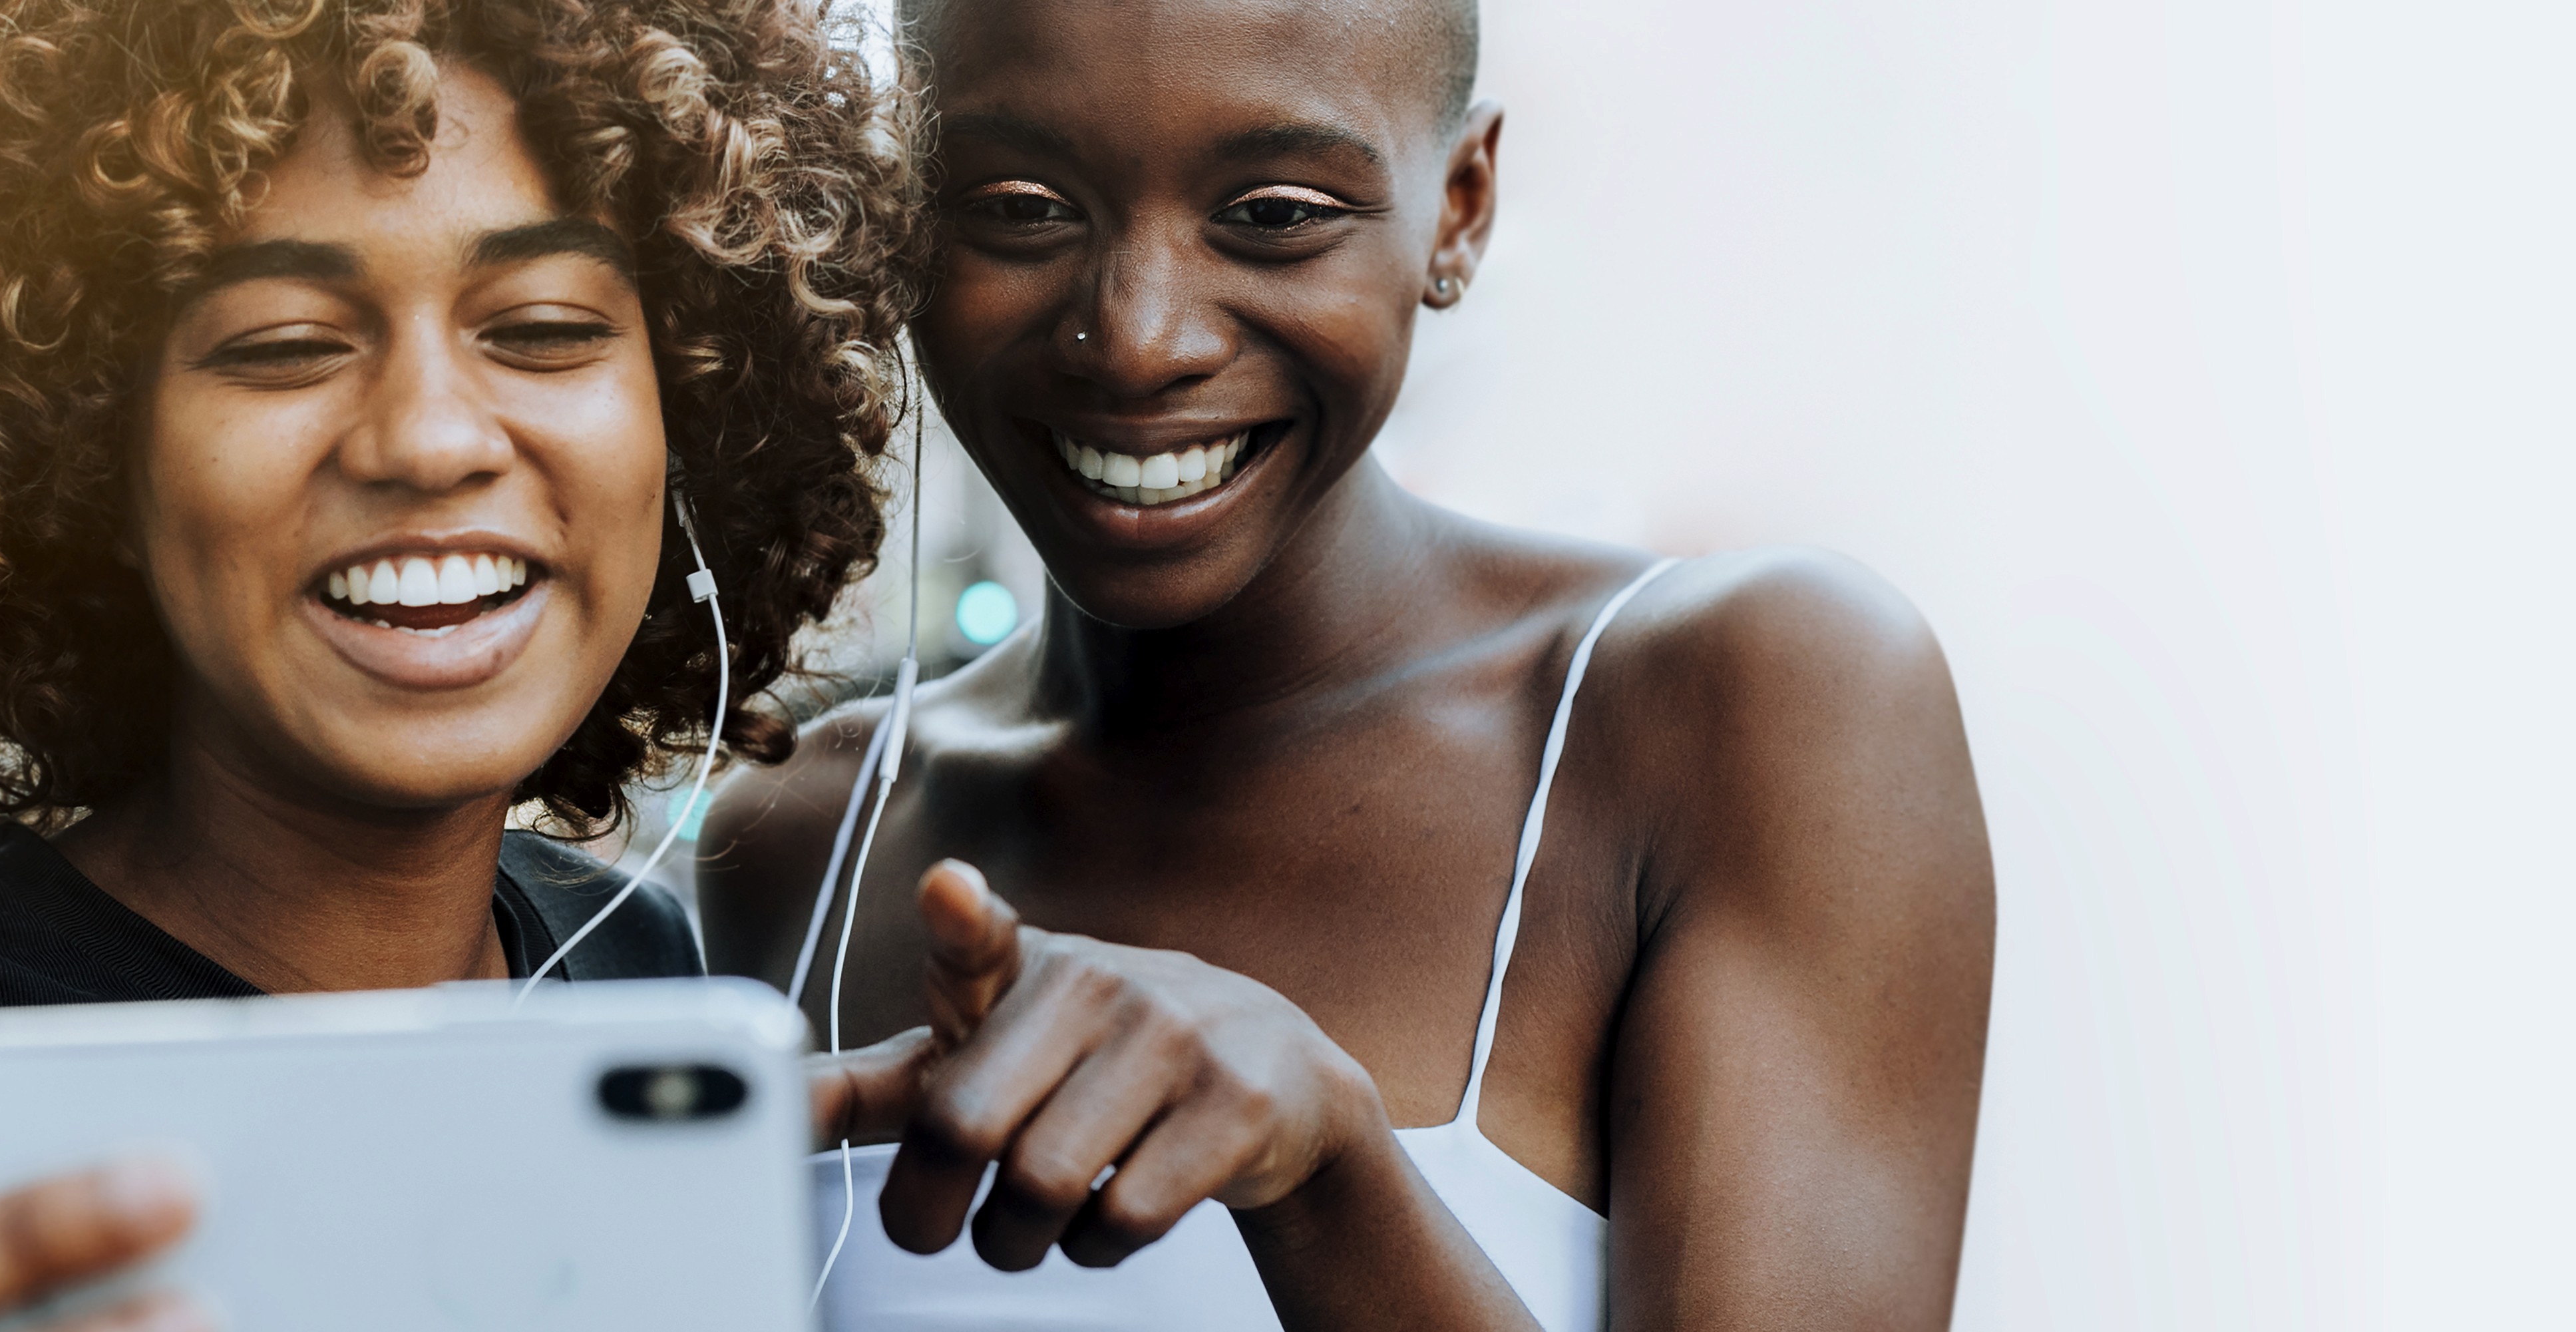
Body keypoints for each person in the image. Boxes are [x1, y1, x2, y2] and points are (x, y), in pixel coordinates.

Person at [0, 1, 916, 1327]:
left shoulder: (647, 988)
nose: (428, 436)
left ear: (694, 411)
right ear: (85, 454)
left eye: (540, 329)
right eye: (281, 344)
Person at [698, 0, 1999, 1326]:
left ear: (1460, 207)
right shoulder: (801, 837)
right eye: (1022, 205)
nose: (1142, 337)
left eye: (1271, 213)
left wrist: (1329, 1174)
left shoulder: (1738, 709)